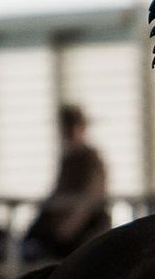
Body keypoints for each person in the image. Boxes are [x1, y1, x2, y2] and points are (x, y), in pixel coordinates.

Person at [26, 104, 111, 259]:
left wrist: (61, 233)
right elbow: (59, 194)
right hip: (65, 229)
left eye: (72, 126)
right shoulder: (69, 160)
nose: (68, 133)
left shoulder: (91, 161)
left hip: (84, 233)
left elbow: (85, 202)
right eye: (65, 127)